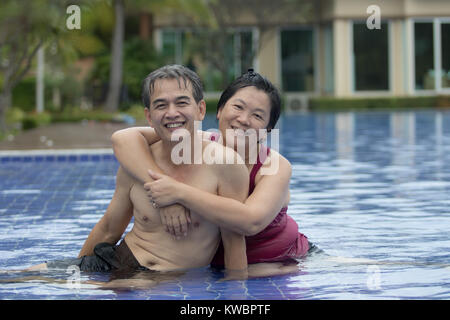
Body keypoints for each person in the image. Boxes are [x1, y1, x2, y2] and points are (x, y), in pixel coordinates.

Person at [26, 65, 249, 278]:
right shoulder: (136, 163)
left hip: (164, 280)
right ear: (149, 117)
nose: (172, 113)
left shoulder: (225, 165)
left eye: (181, 103)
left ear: (200, 110)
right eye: (161, 105)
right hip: (118, 262)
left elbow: (234, 241)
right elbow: (108, 229)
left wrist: (236, 294)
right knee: (23, 276)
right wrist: (80, 280)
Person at [111, 68, 314, 269]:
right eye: (238, 107)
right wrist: (160, 189)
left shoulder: (274, 166)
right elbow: (123, 139)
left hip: (283, 259)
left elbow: (251, 222)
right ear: (219, 111)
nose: (244, 119)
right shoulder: (197, 141)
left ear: (268, 129)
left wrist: (176, 192)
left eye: (258, 116)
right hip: (219, 266)